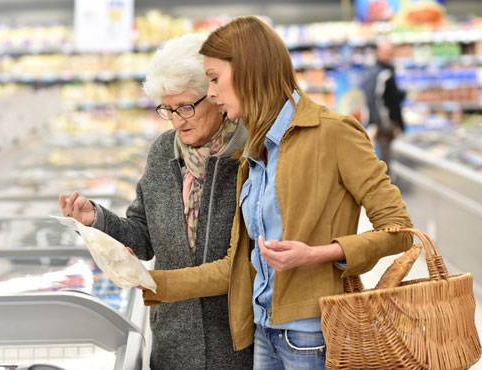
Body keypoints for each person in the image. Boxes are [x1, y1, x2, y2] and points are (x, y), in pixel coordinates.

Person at [141, 16, 413, 370]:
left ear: (249, 71)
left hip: (312, 335)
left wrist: (318, 254)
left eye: (214, 79)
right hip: (263, 332)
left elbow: (399, 230)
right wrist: (149, 282)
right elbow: (237, 265)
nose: (210, 93)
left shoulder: (333, 133)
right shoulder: (257, 149)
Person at [58, 33, 253, 370]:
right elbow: (143, 238)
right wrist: (96, 221)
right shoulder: (163, 151)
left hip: (236, 344)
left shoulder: (249, 155)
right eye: (168, 109)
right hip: (173, 341)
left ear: (215, 95)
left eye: (187, 106)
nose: (178, 120)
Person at [364, 41, 406, 176]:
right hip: (385, 126)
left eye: (390, 52)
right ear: (378, 53)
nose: (389, 55)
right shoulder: (378, 73)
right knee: (385, 159)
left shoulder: (387, 70)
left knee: (390, 158)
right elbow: (374, 99)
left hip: (389, 124)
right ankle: (387, 191)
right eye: (385, 52)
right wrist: (386, 123)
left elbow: (390, 97)